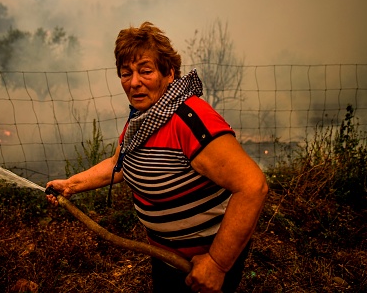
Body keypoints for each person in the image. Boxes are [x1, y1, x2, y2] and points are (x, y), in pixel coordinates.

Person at [47, 22, 268, 293]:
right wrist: (71, 184)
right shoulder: (143, 118)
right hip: (166, 258)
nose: (134, 82)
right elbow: (120, 163)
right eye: (126, 73)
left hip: (203, 263)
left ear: (169, 73)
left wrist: (217, 263)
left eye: (145, 71)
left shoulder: (189, 120)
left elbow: (253, 186)